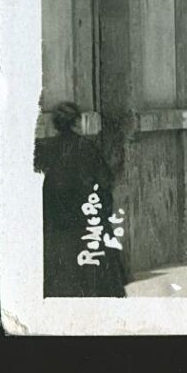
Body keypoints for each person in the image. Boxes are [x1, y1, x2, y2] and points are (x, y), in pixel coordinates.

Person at [35, 101, 128, 297]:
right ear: (76, 122)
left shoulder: (46, 150)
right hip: (86, 222)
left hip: (57, 225)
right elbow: (105, 181)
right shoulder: (86, 148)